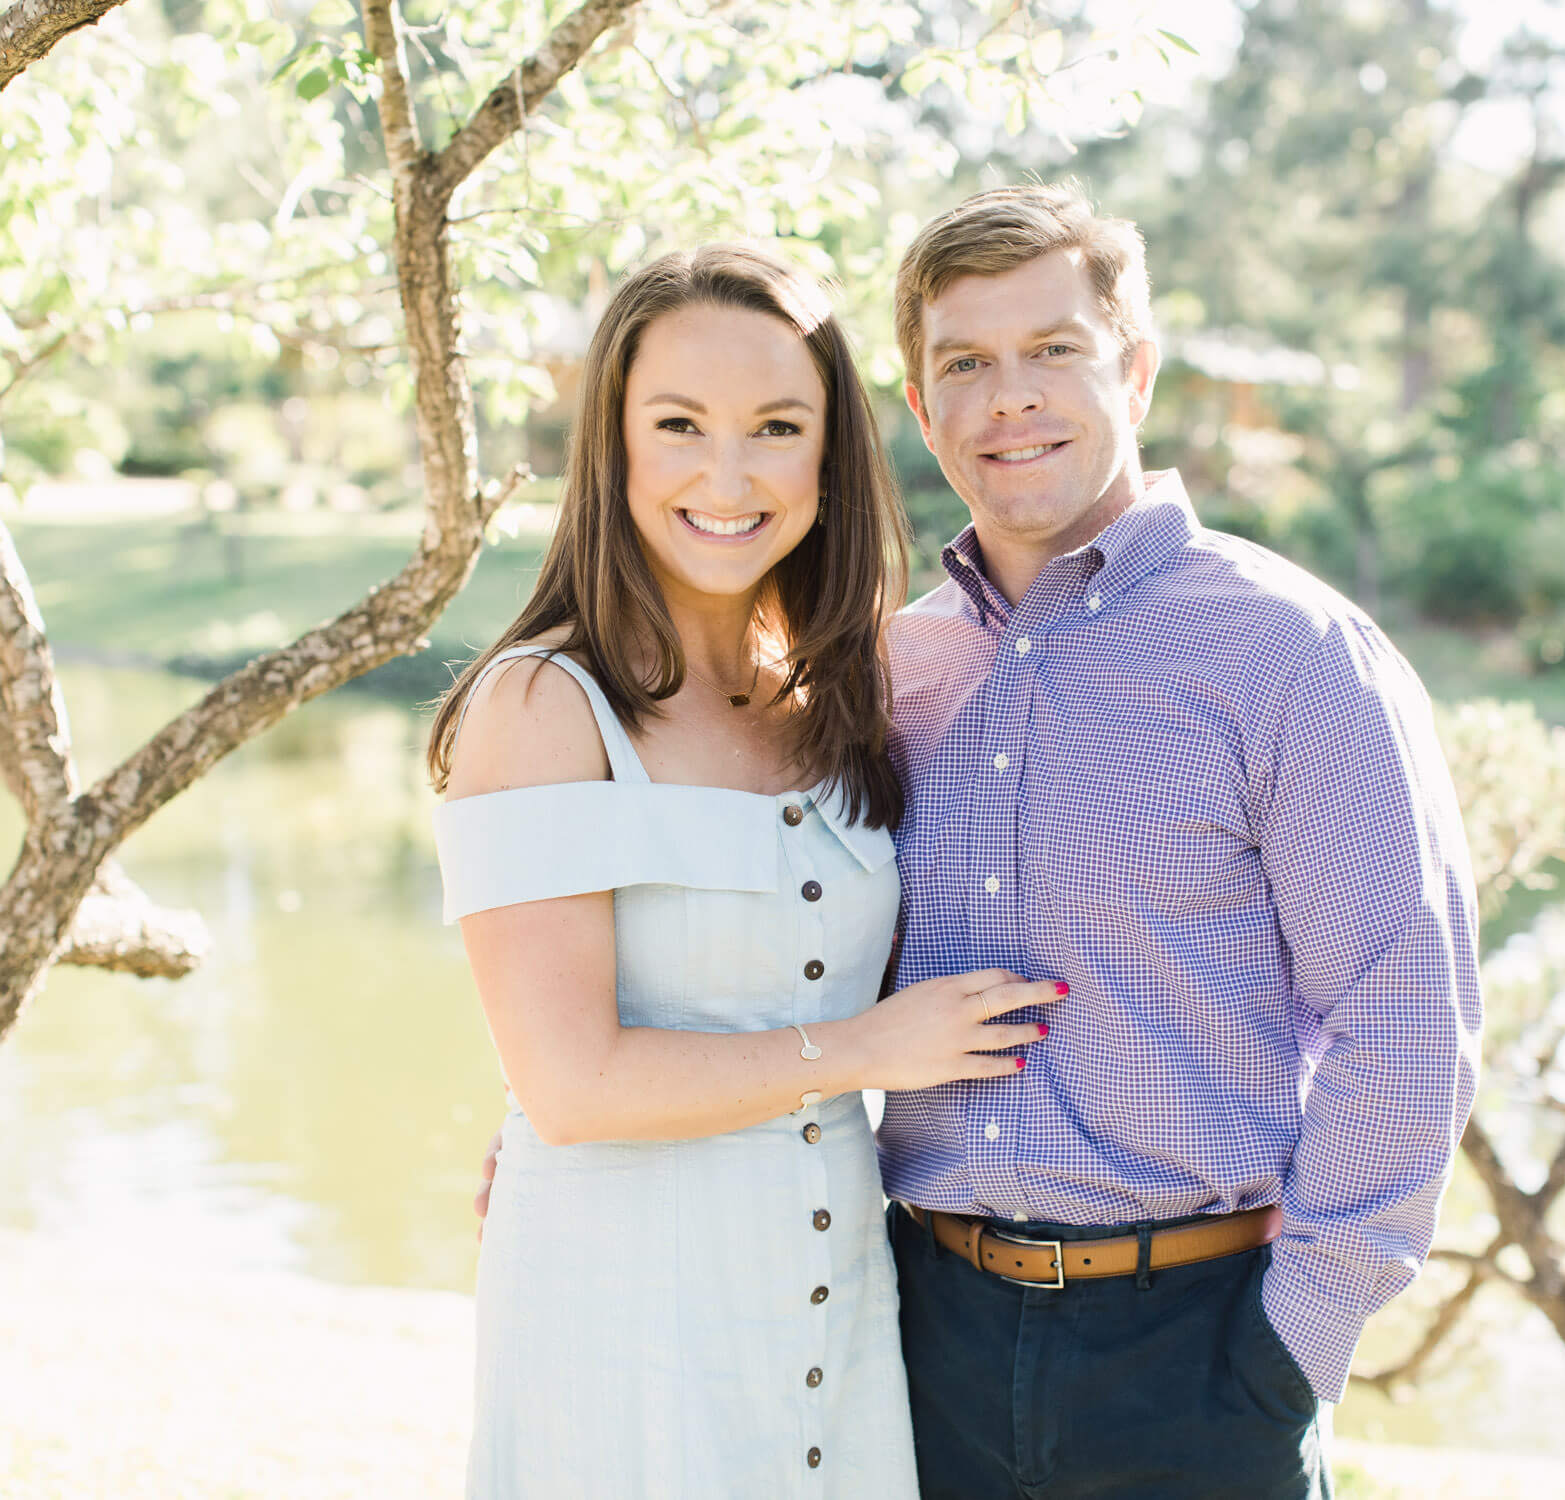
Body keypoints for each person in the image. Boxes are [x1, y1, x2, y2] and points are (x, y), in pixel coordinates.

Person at [476, 186, 1480, 1500]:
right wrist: (562, 1105)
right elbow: (776, 940)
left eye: (1054, 350)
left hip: (1198, 1353)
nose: (1011, 398)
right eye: (966, 363)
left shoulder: (1289, 656)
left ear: (1135, 367)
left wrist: (1294, 1348)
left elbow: (1406, 1024)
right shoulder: (882, 676)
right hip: (914, 1339)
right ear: (919, 403)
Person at [429, 243, 1062, 1500]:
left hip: (836, 1301)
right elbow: (567, 1084)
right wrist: (870, 1053)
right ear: (611, 445)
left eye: (776, 427)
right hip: (626, 1311)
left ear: (830, 457)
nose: (728, 475)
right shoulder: (542, 705)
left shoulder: (841, 695)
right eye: (678, 425)